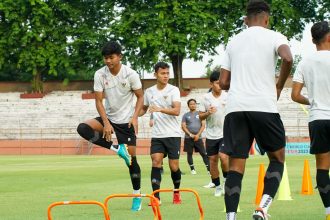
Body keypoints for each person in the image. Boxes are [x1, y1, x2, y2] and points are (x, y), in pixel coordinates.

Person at [219, 1, 293, 219]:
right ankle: (262, 207)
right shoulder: (274, 36)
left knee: (235, 166)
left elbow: (223, 82)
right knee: (277, 158)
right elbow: (287, 57)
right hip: (263, 106)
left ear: (246, 19)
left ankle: (230, 216)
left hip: (235, 108)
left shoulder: (233, 42)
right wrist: (278, 85)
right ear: (266, 18)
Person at [76, 41, 143, 211]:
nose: (108, 61)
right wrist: (105, 122)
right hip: (109, 118)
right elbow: (98, 100)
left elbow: (140, 97)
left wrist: (135, 118)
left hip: (126, 121)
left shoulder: (131, 74)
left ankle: (137, 195)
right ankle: (116, 149)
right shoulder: (100, 74)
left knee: (132, 162)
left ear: (119, 56)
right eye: (105, 58)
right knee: (83, 128)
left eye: (111, 57)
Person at [291, 21, 330, 220]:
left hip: (318, 118)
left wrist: (312, 101)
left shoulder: (305, 62)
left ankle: (328, 212)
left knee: (322, 167)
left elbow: (295, 95)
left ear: (313, 39)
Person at [140, 61, 182, 205]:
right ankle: (156, 197)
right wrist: (133, 115)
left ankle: (176, 191)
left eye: (167, 73)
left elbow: (177, 111)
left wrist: (160, 109)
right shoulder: (149, 92)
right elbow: (143, 109)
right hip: (157, 135)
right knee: (156, 161)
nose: (166, 76)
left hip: (173, 134)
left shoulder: (174, 90)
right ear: (155, 74)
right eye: (162, 73)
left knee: (173, 166)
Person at [199, 71, 229, 196]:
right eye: (217, 83)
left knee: (223, 157)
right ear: (211, 83)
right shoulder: (205, 99)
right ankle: (217, 186)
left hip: (225, 133)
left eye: (221, 82)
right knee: (212, 161)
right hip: (211, 135)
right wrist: (208, 113)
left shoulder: (228, 96)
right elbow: (200, 116)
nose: (220, 85)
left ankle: (226, 182)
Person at [181, 99, 210, 176]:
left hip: (198, 138)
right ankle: (192, 169)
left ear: (196, 105)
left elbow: (203, 125)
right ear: (188, 105)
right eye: (191, 104)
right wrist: (190, 134)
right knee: (189, 154)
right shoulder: (185, 115)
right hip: (188, 138)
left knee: (203, 153)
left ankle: (208, 169)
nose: (193, 105)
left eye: (194, 104)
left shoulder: (200, 114)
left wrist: (197, 135)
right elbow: (183, 127)